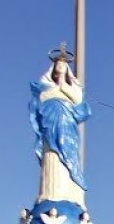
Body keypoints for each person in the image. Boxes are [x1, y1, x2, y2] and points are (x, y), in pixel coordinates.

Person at [30, 52, 91, 207]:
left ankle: (72, 194)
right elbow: (41, 97)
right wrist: (57, 90)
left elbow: (77, 99)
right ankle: (49, 194)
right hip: (50, 126)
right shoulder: (46, 87)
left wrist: (63, 83)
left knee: (69, 158)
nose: (60, 67)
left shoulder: (73, 87)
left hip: (67, 128)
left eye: (64, 65)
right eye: (58, 65)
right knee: (51, 157)